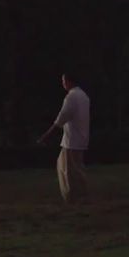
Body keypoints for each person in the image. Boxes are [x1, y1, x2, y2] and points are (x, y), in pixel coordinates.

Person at [38, 72, 90, 204]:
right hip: (81, 138)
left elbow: (60, 119)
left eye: (63, 81)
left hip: (72, 140)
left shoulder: (71, 97)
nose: (63, 83)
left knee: (68, 170)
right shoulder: (84, 96)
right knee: (74, 168)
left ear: (69, 81)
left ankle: (73, 196)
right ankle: (79, 195)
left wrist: (45, 137)